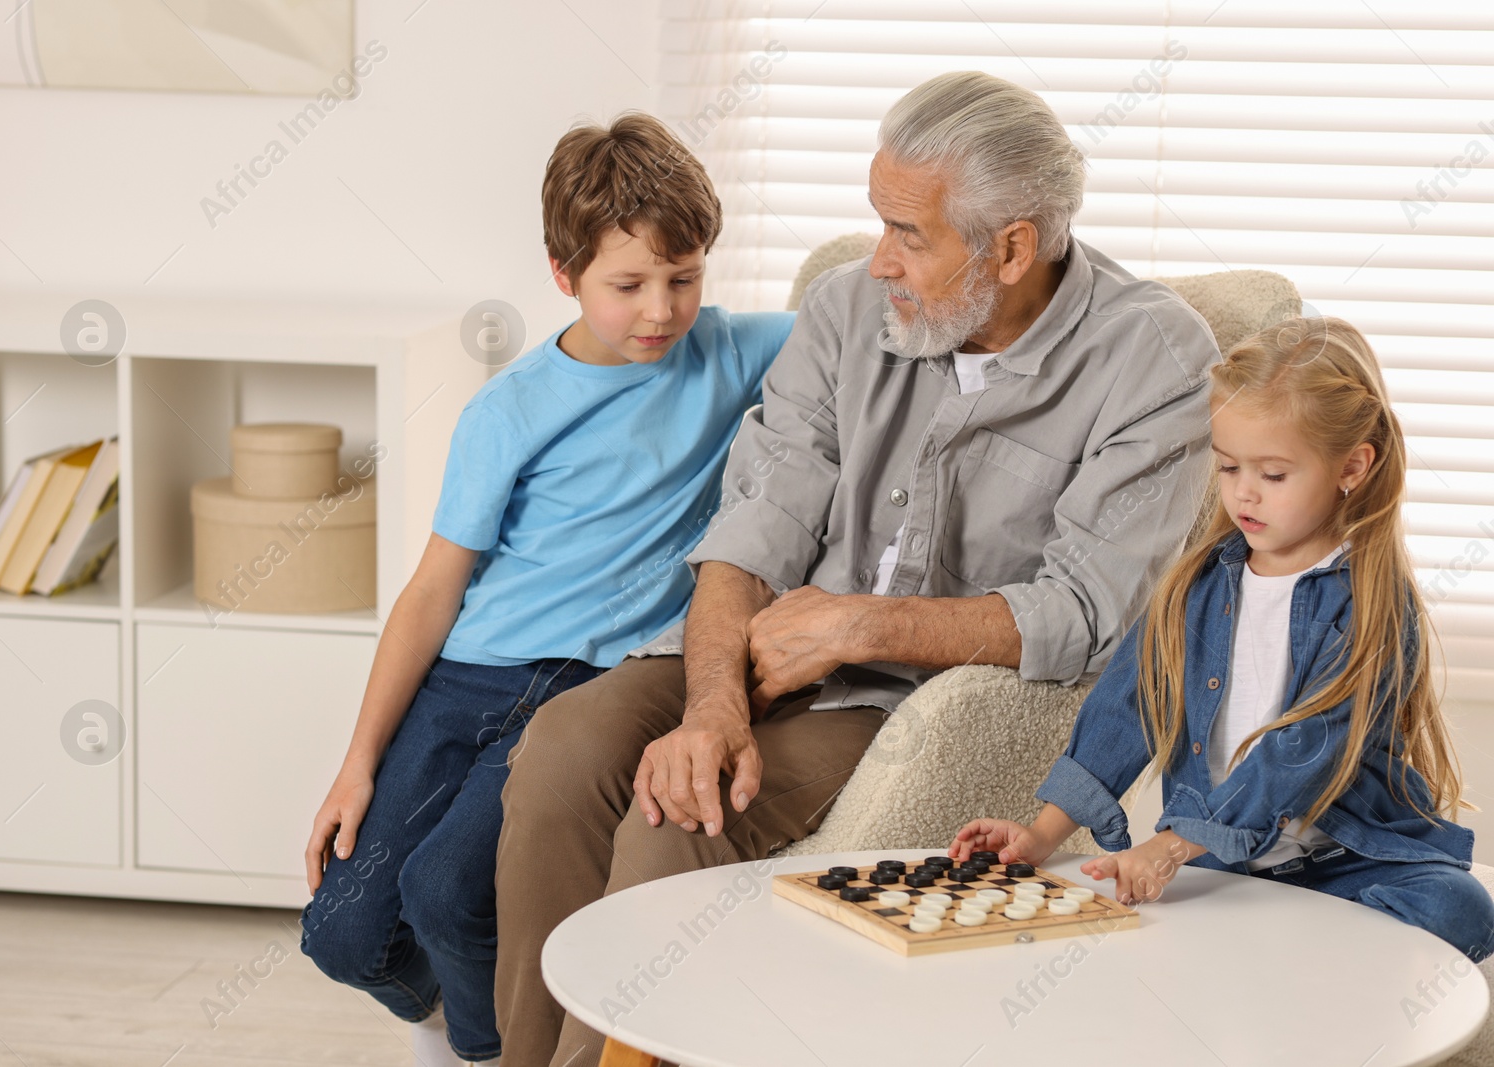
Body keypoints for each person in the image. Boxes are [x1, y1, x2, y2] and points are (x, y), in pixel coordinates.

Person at [495, 71, 1222, 1067]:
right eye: (877, 224)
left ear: (1011, 247)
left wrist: (857, 626)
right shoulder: (847, 311)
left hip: (901, 698)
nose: (876, 260)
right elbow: (755, 520)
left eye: (908, 235)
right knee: (562, 746)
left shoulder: (1151, 358)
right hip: (758, 642)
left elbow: (1088, 610)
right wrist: (711, 702)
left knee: (678, 820)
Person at [297, 112, 795, 1067]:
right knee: (343, 933)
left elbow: (868, 315)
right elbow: (433, 590)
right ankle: (448, 1017)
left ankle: (492, 1051)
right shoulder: (509, 410)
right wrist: (358, 759)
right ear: (564, 275)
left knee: (450, 890)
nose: (661, 308)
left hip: (588, 688)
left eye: (684, 278)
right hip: (469, 677)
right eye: (628, 284)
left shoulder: (731, 351)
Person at [950, 316, 1494, 962]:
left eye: (1273, 474)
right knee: (1178, 920)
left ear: (1352, 465)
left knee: (1460, 905)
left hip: (1346, 857)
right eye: (1229, 465)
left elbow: (1301, 749)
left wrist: (1174, 843)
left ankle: (1305, 949)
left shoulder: (1373, 601)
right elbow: (1125, 710)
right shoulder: (1196, 587)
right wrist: (1041, 834)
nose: (1243, 492)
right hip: (1232, 860)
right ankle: (1290, 948)